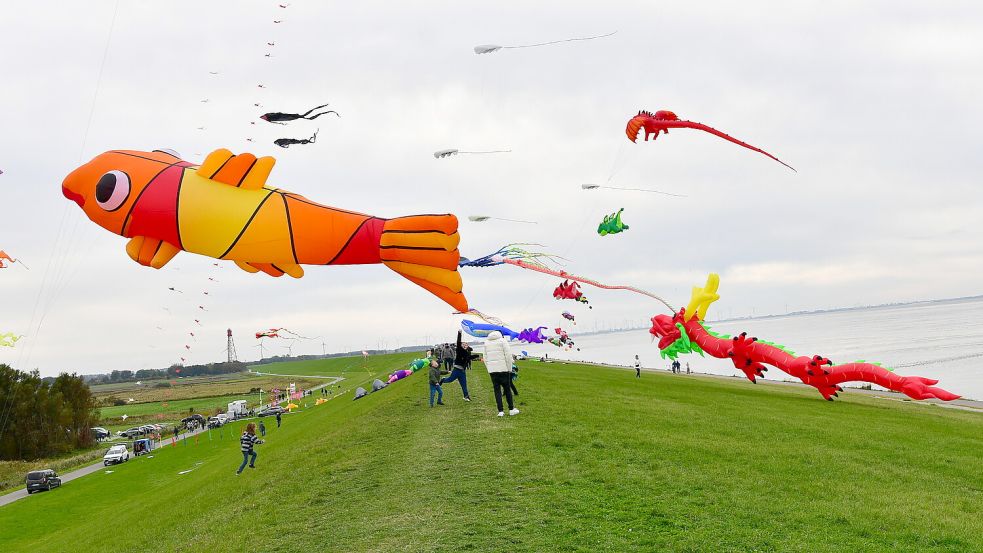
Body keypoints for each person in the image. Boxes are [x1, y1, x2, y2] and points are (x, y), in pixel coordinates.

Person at [483, 331, 518, 417]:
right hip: (504, 369)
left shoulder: (486, 343)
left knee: (497, 390)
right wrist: (509, 368)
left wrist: (489, 368)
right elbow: (508, 356)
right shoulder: (503, 341)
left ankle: (500, 411)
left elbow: (485, 357)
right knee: (507, 389)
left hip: (493, 371)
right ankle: (511, 409)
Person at [441, 331, 476, 401]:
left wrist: (477, 356)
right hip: (456, 370)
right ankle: (443, 380)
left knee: (464, 384)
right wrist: (459, 334)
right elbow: (458, 342)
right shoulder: (459, 350)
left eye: (466, 345)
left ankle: (466, 396)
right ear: (461, 346)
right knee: (449, 380)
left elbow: (468, 358)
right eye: (463, 345)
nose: (465, 345)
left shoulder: (466, 353)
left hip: (462, 371)